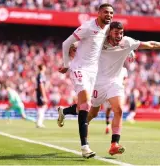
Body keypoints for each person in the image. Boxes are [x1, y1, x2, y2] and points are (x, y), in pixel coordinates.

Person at [60, 21, 160, 156]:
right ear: (109, 32)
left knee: (118, 109)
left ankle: (114, 144)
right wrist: (69, 59)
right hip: (97, 82)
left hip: (114, 81)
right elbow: (75, 46)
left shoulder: (127, 42)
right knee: (92, 113)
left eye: (121, 33)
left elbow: (150, 44)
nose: (119, 35)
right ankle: (66, 111)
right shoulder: (99, 42)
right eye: (116, 33)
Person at [57, 3, 114, 158]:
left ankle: (64, 111)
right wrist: (67, 64)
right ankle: (85, 147)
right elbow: (66, 43)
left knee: (87, 108)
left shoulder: (107, 30)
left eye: (111, 13)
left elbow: (115, 42)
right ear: (99, 13)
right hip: (79, 69)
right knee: (86, 105)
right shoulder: (88, 27)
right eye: (106, 12)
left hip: (94, 72)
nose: (109, 15)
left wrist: (129, 53)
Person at [104, 66, 128, 134]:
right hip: (111, 91)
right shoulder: (112, 66)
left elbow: (126, 79)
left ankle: (115, 131)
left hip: (120, 91)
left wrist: (123, 82)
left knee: (118, 110)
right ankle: (108, 124)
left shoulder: (124, 70)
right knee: (108, 109)